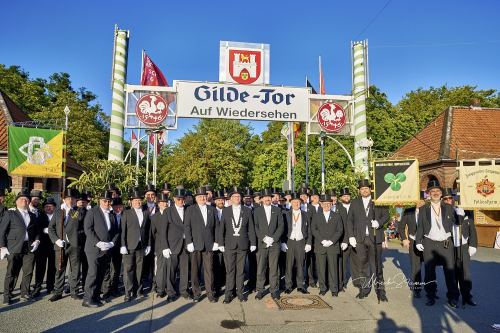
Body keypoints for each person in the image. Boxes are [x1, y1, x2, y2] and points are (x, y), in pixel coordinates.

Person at [415, 180, 460, 308]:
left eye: (437, 191)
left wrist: (461, 215)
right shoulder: (423, 209)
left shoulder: (450, 207)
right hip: (429, 243)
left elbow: (458, 223)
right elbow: (420, 227)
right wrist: (418, 241)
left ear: (441, 193)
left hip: (446, 243)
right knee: (429, 272)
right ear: (428, 193)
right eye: (432, 191)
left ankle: (452, 297)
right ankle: (431, 295)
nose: (435, 193)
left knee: (450, 272)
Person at [347, 179, 389, 302]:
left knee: (376, 266)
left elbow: (386, 215)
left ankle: (380, 291)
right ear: (359, 191)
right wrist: (351, 236)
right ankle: (364, 289)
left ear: (370, 189)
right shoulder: (354, 202)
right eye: (362, 189)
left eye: (366, 188)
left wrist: (379, 222)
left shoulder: (378, 200)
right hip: (360, 239)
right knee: (362, 266)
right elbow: (350, 220)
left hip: (375, 238)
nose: (364, 190)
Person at [0, 188, 40, 304]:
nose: (25, 201)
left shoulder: (32, 215)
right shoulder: (10, 213)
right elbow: (2, 231)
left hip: (29, 247)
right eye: (22, 199)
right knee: (12, 272)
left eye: (27, 199)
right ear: (17, 201)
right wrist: (2, 247)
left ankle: (25, 293)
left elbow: (36, 231)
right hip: (14, 247)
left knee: (28, 271)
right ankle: (7, 296)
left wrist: (37, 241)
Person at [219, 186, 256, 303]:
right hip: (229, 244)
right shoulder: (225, 210)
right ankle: (229, 294)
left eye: (239, 196)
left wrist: (253, 242)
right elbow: (221, 229)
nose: (237, 198)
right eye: (234, 196)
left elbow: (251, 228)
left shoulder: (247, 210)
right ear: (230, 198)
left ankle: (240, 293)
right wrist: (221, 243)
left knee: (240, 271)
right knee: (230, 270)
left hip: (243, 244)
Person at [82, 190, 119, 308]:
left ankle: (96, 296)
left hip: (107, 249)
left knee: (101, 273)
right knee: (93, 273)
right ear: (99, 201)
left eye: (109, 201)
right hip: (94, 248)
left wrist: (112, 243)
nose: (107, 203)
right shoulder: (92, 212)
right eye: (105, 201)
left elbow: (116, 231)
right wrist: (98, 243)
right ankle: (87, 299)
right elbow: (88, 229)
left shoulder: (111, 214)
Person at [48, 189, 86, 302]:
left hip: (74, 244)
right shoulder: (58, 212)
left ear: (76, 200)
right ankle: (58, 292)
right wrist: (56, 240)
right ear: (64, 199)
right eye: (68, 198)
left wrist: (70, 210)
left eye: (73, 199)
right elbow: (51, 228)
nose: (71, 200)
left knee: (75, 269)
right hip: (60, 245)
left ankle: (74, 291)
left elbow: (80, 223)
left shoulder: (79, 211)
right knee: (60, 268)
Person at [442, 188, 478, 307]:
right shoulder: (441, 212)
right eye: (445, 199)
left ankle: (467, 296)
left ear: (454, 199)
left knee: (465, 273)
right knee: (451, 274)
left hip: (463, 246)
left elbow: (472, 228)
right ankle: (453, 297)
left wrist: (473, 245)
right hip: (450, 246)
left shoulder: (464, 210)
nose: (448, 200)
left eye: (450, 198)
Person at [185, 187, 219, 302]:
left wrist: (216, 242)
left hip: (209, 244)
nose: (202, 198)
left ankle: (210, 293)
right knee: (195, 270)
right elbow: (187, 227)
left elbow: (217, 227)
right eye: (200, 196)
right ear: (196, 198)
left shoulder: (212, 209)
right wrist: (189, 242)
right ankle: (196, 293)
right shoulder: (190, 209)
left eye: (204, 196)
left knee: (209, 270)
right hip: (195, 244)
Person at [120, 187, 151, 301]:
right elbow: (123, 230)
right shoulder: (126, 213)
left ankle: (139, 291)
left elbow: (148, 230)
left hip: (142, 246)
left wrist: (149, 244)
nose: (138, 202)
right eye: (135, 200)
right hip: (129, 246)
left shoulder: (146, 212)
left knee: (140, 269)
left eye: (139, 200)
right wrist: (122, 245)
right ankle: (128, 293)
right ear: (131, 202)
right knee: (128, 269)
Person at [253, 188, 284, 300]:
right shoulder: (256, 211)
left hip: (274, 244)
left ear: (271, 198)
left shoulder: (277, 210)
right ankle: (260, 290)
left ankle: (274, 290)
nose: (267, 199)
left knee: (274, 268)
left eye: (269, 197)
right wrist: (264, 238)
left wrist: (274, 238)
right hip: (262, 244)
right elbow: (255, 227)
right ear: (261, 199)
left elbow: (281, 226)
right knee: (261, 268)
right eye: (265, 197)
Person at [311, 194, 344, 296]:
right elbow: (313, 229)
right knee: (321, 269)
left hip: (332, 246)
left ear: (331, 204)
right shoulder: (316, 216)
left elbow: (340, 230)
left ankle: (334, 289)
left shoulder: (336, 216)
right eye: (324, 204)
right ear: (321, 204)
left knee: (333, 268)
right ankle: (323, 288)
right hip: (320, 246)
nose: (326, 206)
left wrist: (332, 241)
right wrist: (322, 240)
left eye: (328, 204)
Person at [398, 191, 426, 298]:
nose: (420, 202)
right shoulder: (408, 211)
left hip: (427, 242)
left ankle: (431, 289)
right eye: (418, 200)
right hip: (413, 241)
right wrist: (404, 239)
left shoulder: (429, 211)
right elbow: (400, 227)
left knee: (429, 266)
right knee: (416, 266)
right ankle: (417, 289)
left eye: (422, 200)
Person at [283, 192, 311, 294]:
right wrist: (283, 242)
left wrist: (308, 243)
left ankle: (300, 285)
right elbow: (283, 229)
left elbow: (309, 230)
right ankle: (288, 286)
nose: (296, 204)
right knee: (289, 265)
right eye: (294, 202)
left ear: (301, 203)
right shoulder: (285, 214)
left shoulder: (306, 214)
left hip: (301, 241)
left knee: (300, 264)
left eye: (298, 202)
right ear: (291, 203)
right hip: (289, 241)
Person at [165, 187, 190, 300]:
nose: (181, 201)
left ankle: (184, 291)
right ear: (174, 199)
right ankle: (171, 292)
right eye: (179, 199)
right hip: (172, 245)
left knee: (185, 269)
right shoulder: (168, 211)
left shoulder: (189, 209)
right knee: (171, 270)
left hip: (186, 245)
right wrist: (165, 247)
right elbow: (163, 230)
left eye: (183, 199)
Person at [31, 190, 56, 297]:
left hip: (54, 245)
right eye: (46, 206)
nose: (48, 208)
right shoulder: (40, 216)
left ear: (54, 207)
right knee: (40, 267)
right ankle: (37, 286)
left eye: (50, 206)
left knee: (52, 267)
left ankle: (50, 286)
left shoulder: (58, 216)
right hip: (42, 245)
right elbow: (36, 230)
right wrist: (43, 231)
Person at [102, 196, 123, 300]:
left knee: (117, 268)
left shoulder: (126, 215)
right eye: (115, 206)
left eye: (119, 206)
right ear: (112, 206)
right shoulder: (109, 215)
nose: (117, 208)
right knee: (107, 268)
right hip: (109, 245)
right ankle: (106, 289)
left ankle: (115, 288)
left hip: (121, 246)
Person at [337, 187, 357, 292]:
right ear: (340, 198)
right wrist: (344, 240)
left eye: (348, 196)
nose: (346, 197)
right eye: (344, 196)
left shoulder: (354, 206)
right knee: (343, 264)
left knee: (356, 263)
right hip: (343, 240)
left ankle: (357, 281)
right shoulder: (337, 208)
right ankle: (342, 283)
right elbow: (340, 226)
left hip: (355, 240)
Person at [150, 192, 170, 298]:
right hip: (160, 246)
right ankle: (161, 289)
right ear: (158, 204)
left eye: (166, 202)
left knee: (170, 267)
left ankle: (170, 287)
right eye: (162, 202)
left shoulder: (172, 214)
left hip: (171, 245)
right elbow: (152, 234)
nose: (164, 204)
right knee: (161, 268)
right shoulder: (154, 217)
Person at [212, 189, 226, 296]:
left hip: (227, 243)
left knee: (227, 266)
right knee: (216, 266)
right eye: (218, 200)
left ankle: (226, 285)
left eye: (222, 199)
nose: (221, 201)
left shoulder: (228, 210)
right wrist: (215, 242)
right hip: (215, 243)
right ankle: (217, 287)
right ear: (215, 201)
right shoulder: (211, 211)